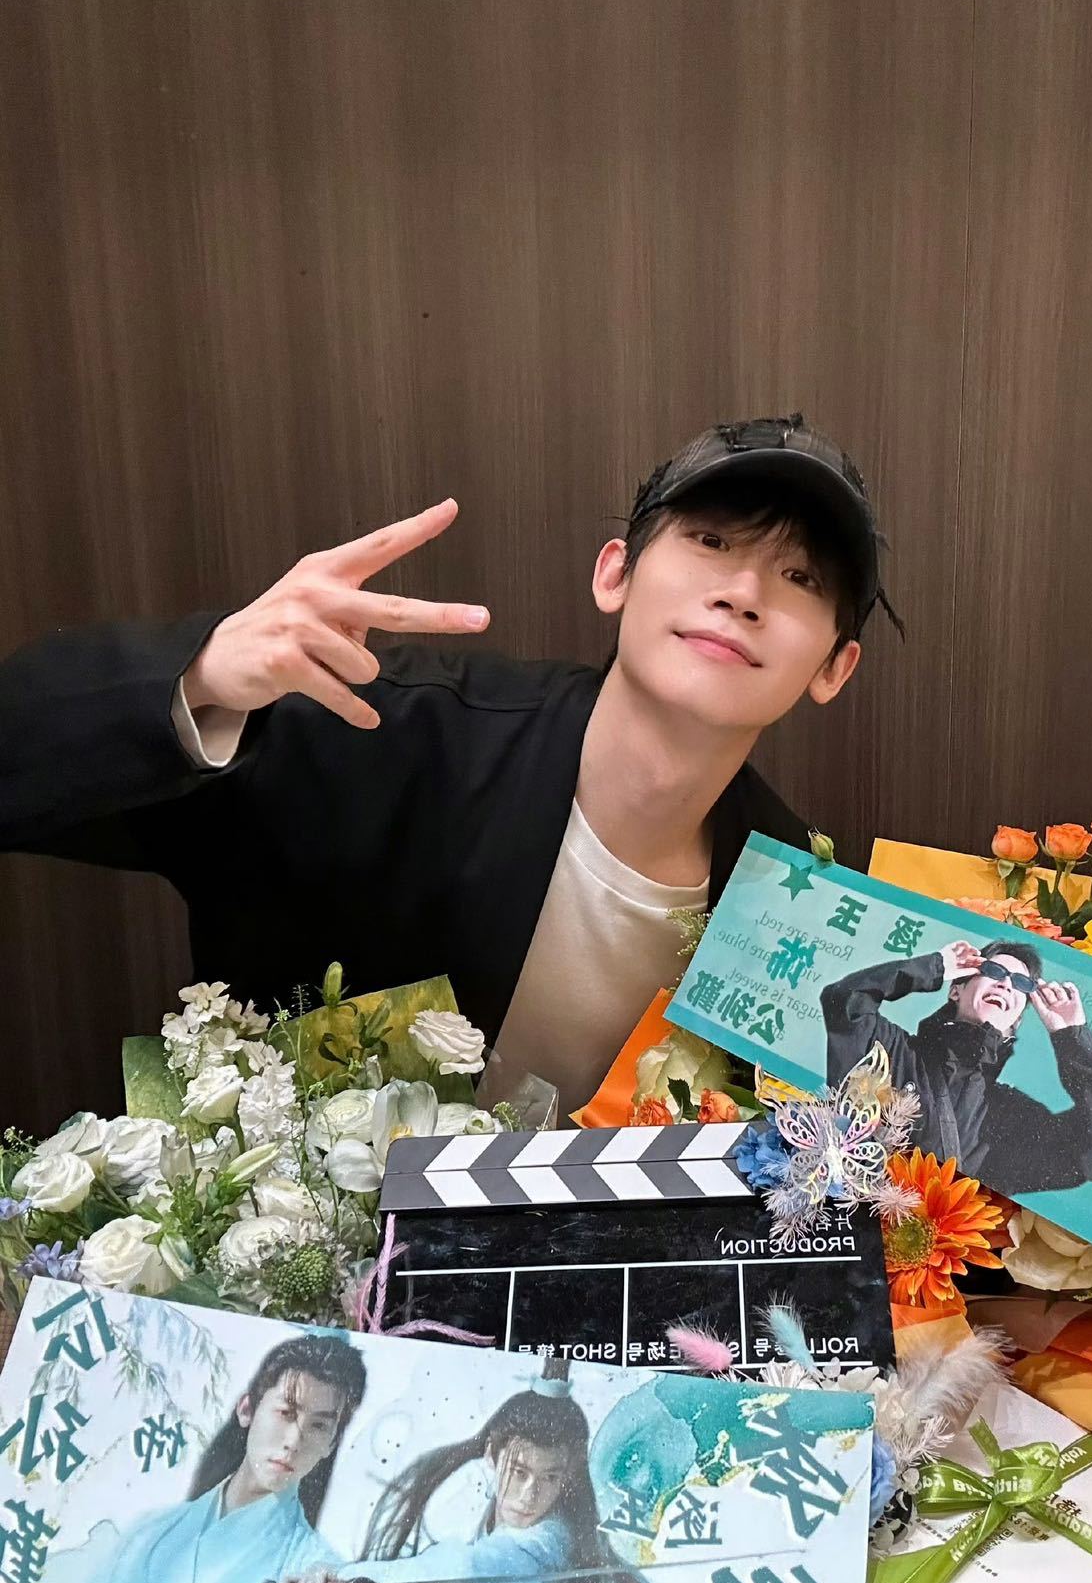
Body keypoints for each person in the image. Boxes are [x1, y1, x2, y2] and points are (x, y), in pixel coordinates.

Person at [0, 414, 897, 1116]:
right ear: (615, 574)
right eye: (710, 542)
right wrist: (203, 678)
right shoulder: (384, 729)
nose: (742, 594)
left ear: (834, 667)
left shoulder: (805, 907)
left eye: (801, 580)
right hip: (306, 1271)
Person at [280, 1360, 712, 1583]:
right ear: (492, 1455)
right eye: (519, 1472)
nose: (529, 1494)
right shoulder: (462, 1501)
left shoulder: (551, 1538)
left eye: (550, 1478)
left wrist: (347, 1578)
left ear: (567, 1476)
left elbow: (462, 1571)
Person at [45, 1332, 367, 1583]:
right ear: (247, 1409)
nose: (294, 1441)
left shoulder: (320, 1580)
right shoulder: (151, 1534)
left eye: (319, 1426)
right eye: (286, 1413)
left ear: (331, 1444)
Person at [821, 935, 1092, 1194]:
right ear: (956, 990)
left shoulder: (1009, 1115)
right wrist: (936, 967)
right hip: (837, 1227)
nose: (1006, 985)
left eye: (1021, 984)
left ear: (1017, 1020)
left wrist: (1071, 1037)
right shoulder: (896, 1052)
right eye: (994, 972)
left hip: (944, 1250)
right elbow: (845, 999)